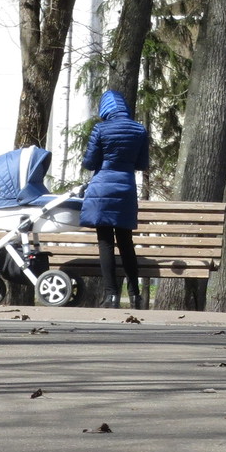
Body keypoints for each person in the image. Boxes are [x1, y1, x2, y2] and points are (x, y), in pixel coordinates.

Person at [80, 89, 151, 309]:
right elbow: (142, 164)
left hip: (102, 190)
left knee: (105, 243)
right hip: (126, 189)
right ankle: (135, 296)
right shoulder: (139, 130)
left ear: (105, 109)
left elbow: (90, 162)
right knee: (126, 242)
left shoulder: (100, 129)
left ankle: (111, 296)